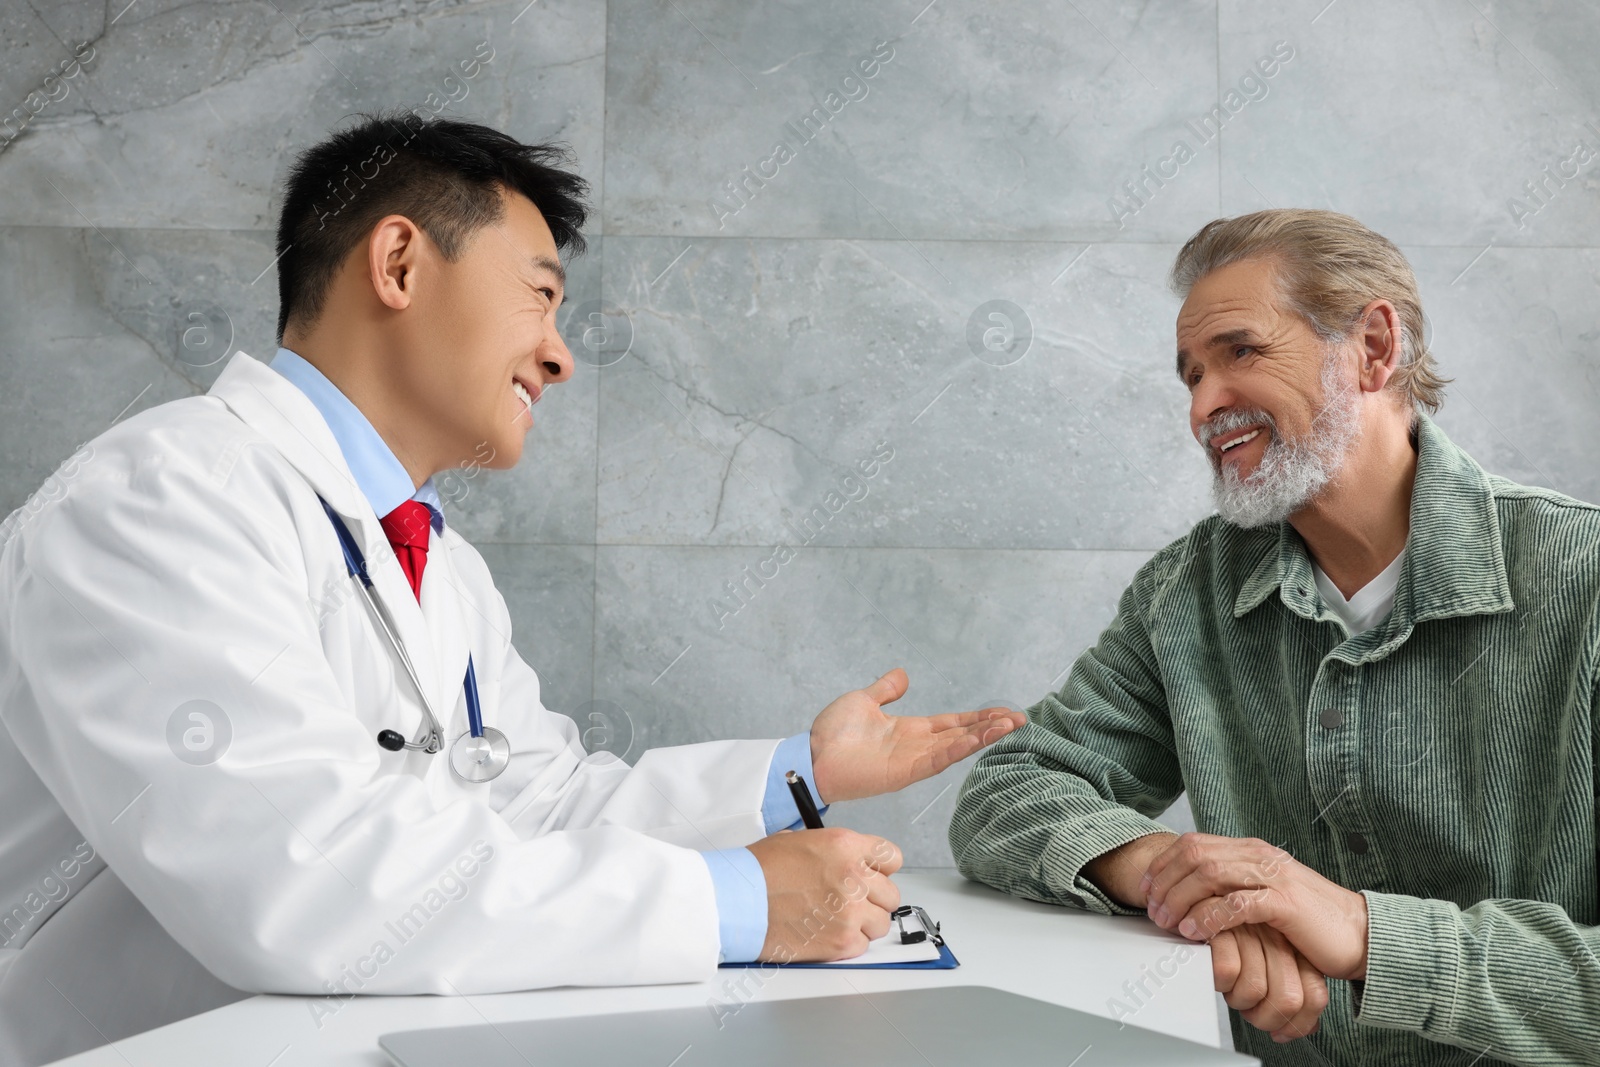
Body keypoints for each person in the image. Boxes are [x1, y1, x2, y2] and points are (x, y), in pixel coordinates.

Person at [0, 112, 1025, 1066]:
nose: (561, 354)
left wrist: (797, 773)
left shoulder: (435, 560)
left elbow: (540, 802)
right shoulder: (160, 498)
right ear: (398, 262)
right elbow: (300, 875)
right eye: (538, 293)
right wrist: (737, 902)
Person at [950, 208, 1600, 1065]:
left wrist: (1361, 929)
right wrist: (1185, 880)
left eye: (1241, 353)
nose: (1205, 406)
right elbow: (1009, 785)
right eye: (1190, 377)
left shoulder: (1582, 583)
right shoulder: (1187, 594)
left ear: (1374, 347)